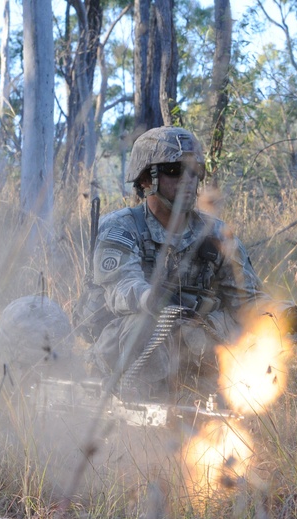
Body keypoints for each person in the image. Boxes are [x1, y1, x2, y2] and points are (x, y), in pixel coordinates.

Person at [85, 126, 269, 400]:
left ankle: (211, 395)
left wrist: (290, 317)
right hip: (129, 359)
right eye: (174, 171)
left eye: (194, 173)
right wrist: (150, 297)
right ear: (147, 179)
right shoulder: (121, 227)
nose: (188, 181)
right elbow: (121, 286)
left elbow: (248, 301)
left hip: (201, 358)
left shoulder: (217, 234)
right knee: (144, 323)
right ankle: (140, 402)